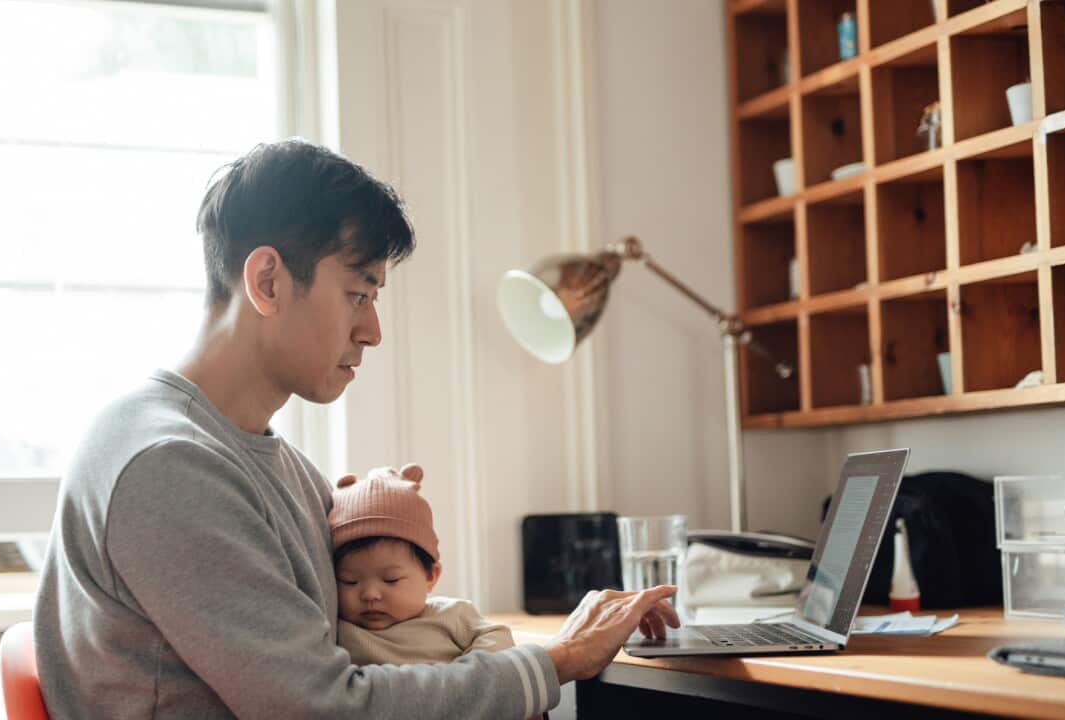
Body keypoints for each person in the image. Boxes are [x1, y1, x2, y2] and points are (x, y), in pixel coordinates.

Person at [33, 138, 679, 719]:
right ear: (267, 281)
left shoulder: (273, 466)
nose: (371, 331)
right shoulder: (167, 466)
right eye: (359, 294)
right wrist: (557, 661)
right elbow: (325, 709)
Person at [329, 464, 515, 665]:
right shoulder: (340, 630)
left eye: (390, 580)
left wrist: (467, 672)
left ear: (430, 576)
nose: (370, 594)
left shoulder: (452, 614)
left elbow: (499, 637)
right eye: (350, 581)